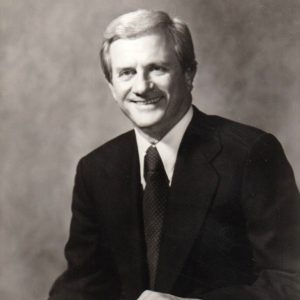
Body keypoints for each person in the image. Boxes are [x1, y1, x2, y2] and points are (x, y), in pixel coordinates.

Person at [48, 9, 300, 300]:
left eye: (157, 68)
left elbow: (292, 279)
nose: (141, 87)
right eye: (127, 73)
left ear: (189, 73)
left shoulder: (251, 153)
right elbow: (81, 285)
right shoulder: (97, 169)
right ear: (112, 87)